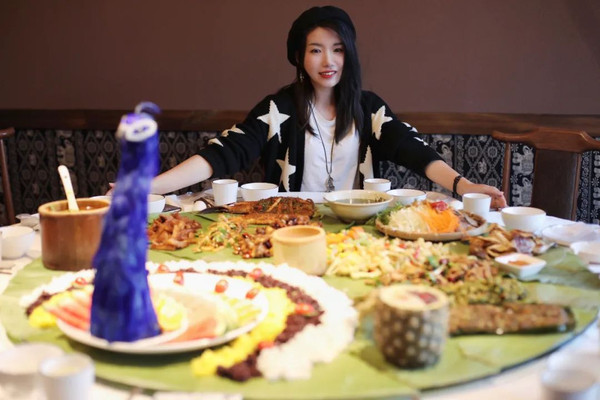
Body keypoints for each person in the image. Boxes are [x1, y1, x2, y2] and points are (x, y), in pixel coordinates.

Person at [150, 5, 507, 209]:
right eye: (316, 50)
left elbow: (414, 150)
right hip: (289, 227)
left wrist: (463, 186)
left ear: (348, 54)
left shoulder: (369, 108)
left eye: (337, 49)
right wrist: (148, 189)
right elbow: (225, 152)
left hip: (359, 228)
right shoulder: (278, 108)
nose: (328, 61)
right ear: (299, 56)